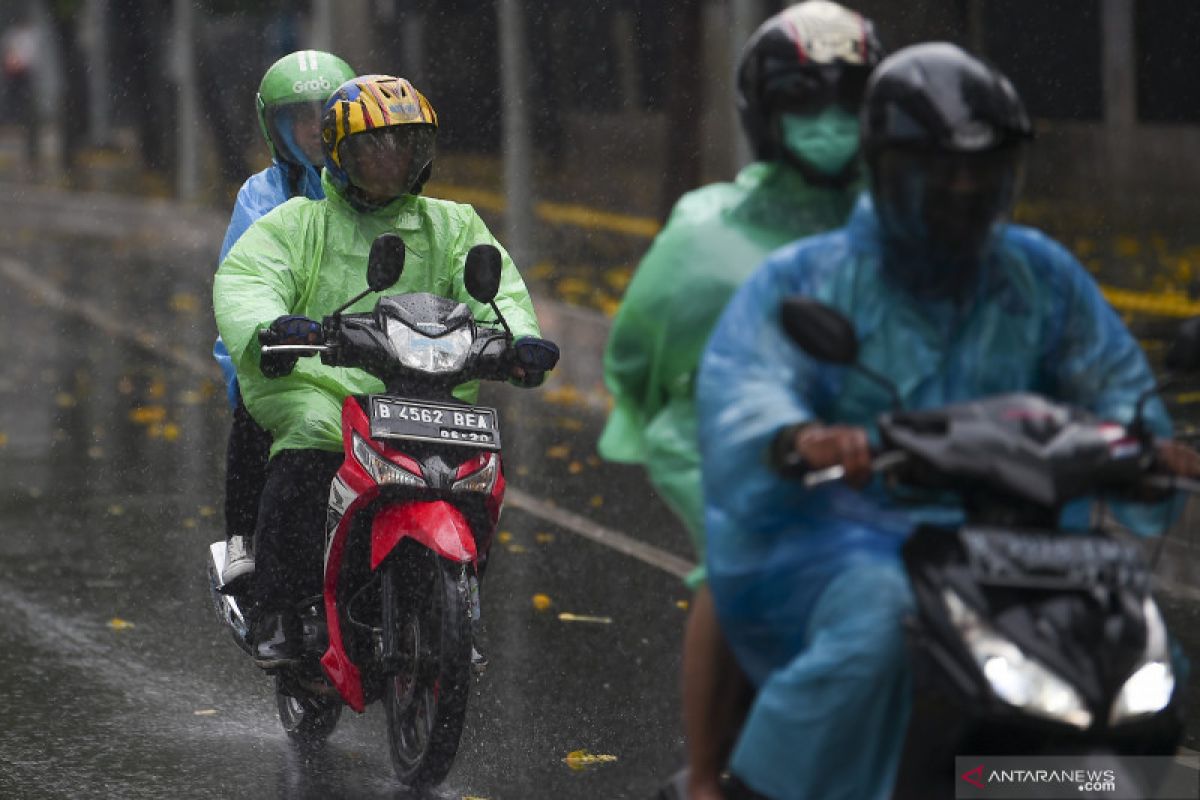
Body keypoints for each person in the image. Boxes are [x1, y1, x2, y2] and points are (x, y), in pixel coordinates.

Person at [696, 43, 1200, 800]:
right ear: (887, 169)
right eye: (941, 169)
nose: (964, 188)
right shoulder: (811, 277)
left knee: (1136, 642)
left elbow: (1115, 382)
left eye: (983, 169)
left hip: (1034, 546)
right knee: (878, 632)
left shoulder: (1041, 274)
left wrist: (1154, 447)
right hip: (852, 537)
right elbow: (748, 386)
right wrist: (800, 437)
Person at [596, 4, 882, 798]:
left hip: (887, 445)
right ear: (768, 114)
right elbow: (635, 356)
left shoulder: (904, 222)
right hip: (727, 445)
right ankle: (708, 775)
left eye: (846, 106)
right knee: (731, 571)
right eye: (806, 105)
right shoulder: (706, 227)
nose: (829, 125)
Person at [214, 74, 556, 666]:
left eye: (403, 144)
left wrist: (520, 341)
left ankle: (457, 604)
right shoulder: (301, 221)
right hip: (320, 385)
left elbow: (499, 292)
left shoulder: (453, 224)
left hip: (427, 388)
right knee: (311, 445)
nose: (389, 157)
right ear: (340, 154)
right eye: (374, 145)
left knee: (475, 468)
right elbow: (250, 277)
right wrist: (275, 324)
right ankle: (283, 608)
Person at [215, 50, 356, 593]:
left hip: (368, 356)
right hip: (292, 358)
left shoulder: (379, 194)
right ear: (273, 126)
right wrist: (270, 336)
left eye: (328, 114)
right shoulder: (262, 197)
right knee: (256, 418)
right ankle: (244, 541)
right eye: (300, 116)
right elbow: (245, 281)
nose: (315, 128)